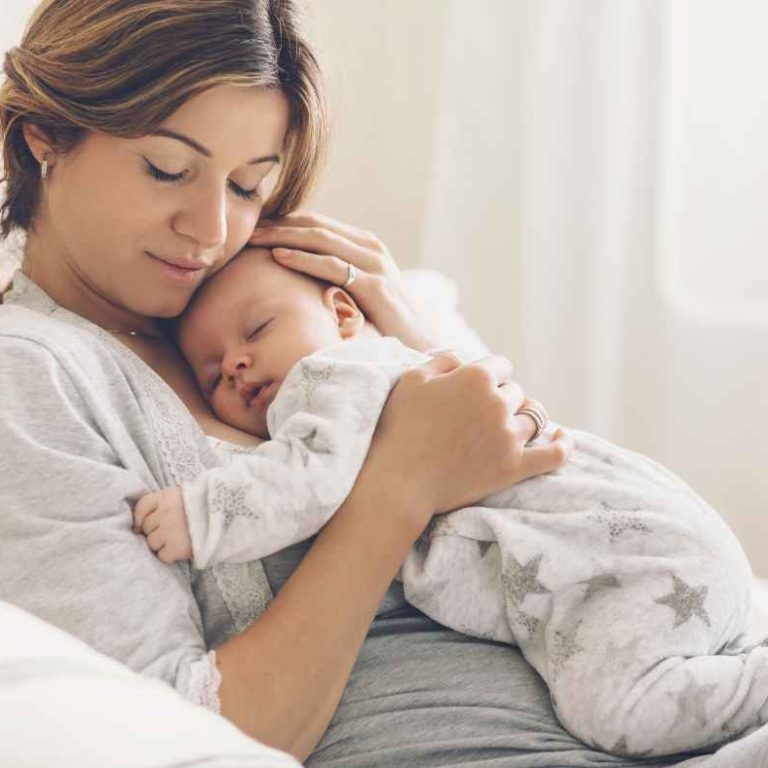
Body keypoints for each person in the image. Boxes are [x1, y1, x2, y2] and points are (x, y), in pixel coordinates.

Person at [0, 2, 754, 766]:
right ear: (47, 136)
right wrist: (398, 483)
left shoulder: (256, 295)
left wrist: (414, 331)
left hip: (659, 686)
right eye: (168, 169)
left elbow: (535, 480)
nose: (210, 230)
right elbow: (171, 734)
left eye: (248, 186)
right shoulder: (28, 377)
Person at [133, 246, 766, 759]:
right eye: (213, 372)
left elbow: (303, 482)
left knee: (621, 710)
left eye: (257, 329)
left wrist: (202, 514)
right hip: (653, 545)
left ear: (345, 315)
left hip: (616, 563)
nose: (237, 363)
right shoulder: (413, 372)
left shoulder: (333, 378)